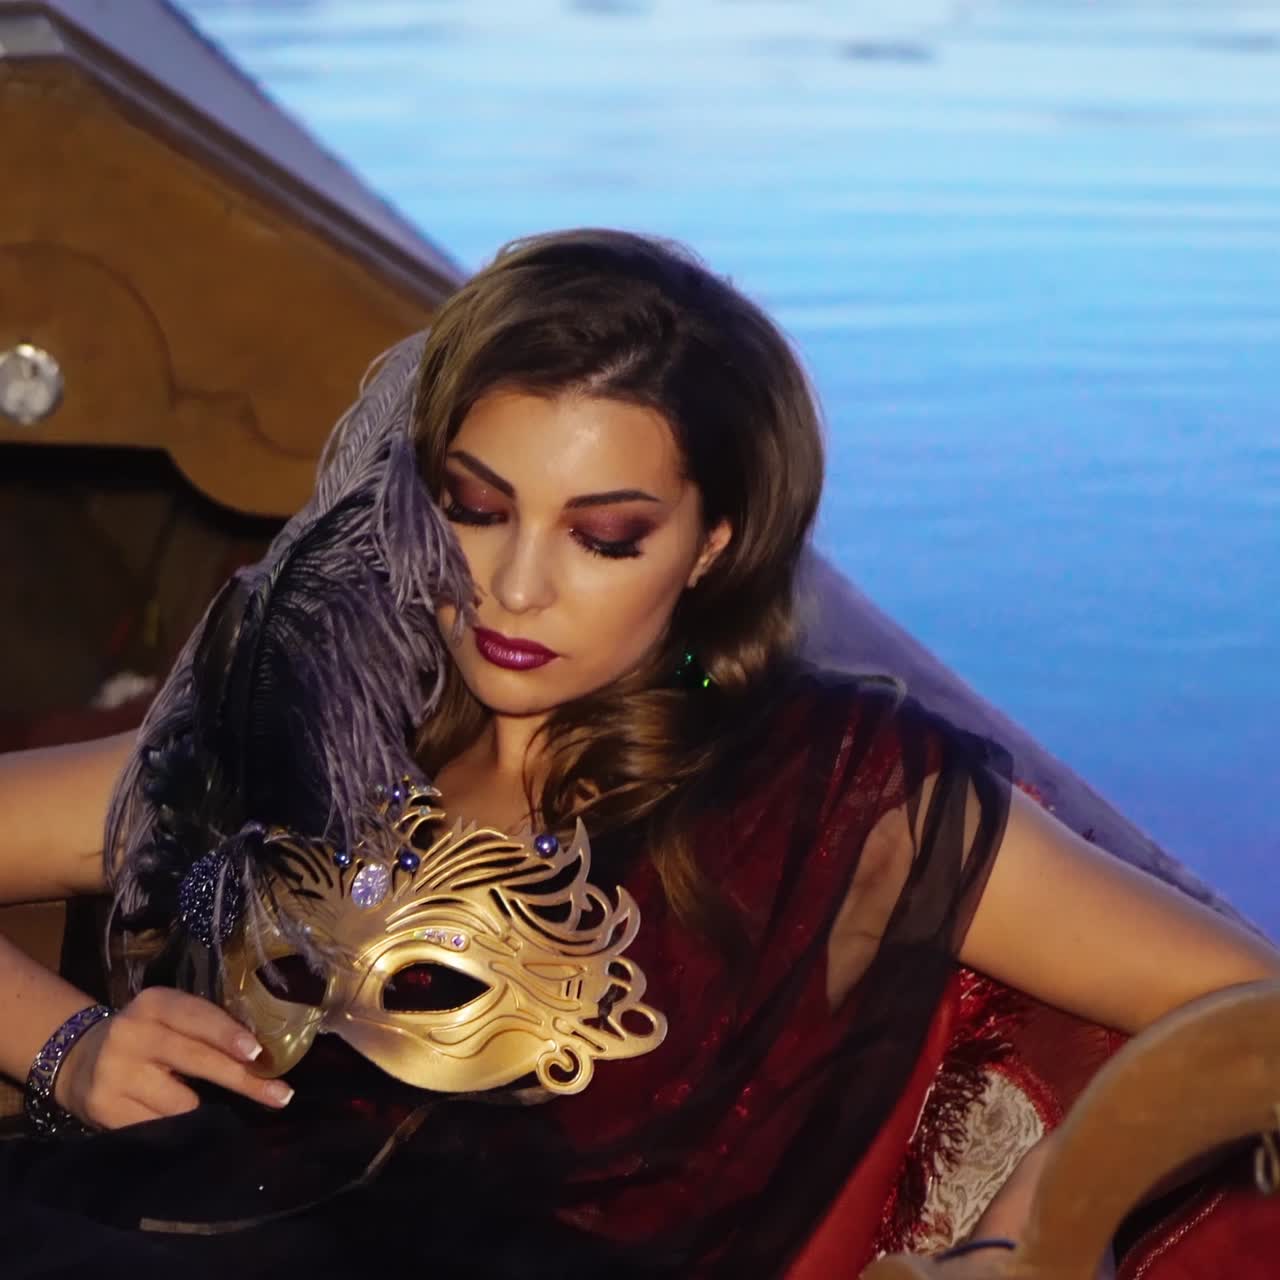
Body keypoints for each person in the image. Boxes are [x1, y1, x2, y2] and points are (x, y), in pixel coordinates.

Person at [0, 228, 1276, 1279]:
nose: (511, 585)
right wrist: (69, 1046)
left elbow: (1248, 1020)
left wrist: (1022, 1237)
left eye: (604, 535)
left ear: (712, 543)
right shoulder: (314, 697)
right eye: (473, 505)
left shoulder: (837, 796)